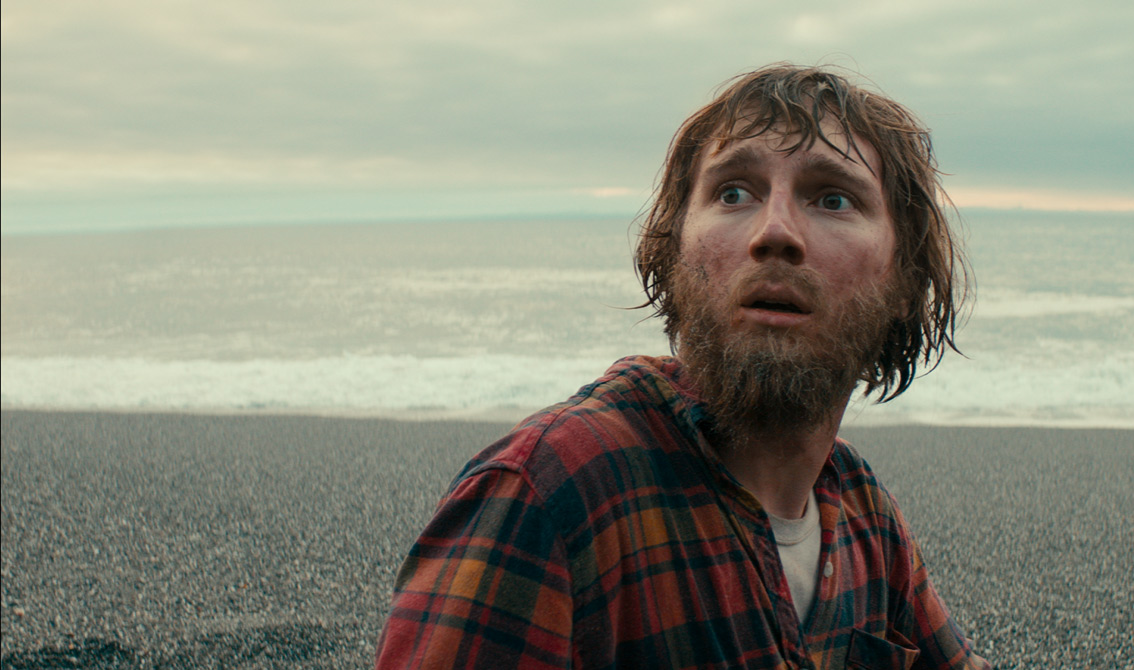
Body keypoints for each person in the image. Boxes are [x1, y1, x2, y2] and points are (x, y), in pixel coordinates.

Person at [375, 64, 990, 670]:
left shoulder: (861, 511)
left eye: (833, 199)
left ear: (906, 277)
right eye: (733, 193)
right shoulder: (549, 495)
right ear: (673, 250)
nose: (775, 232)